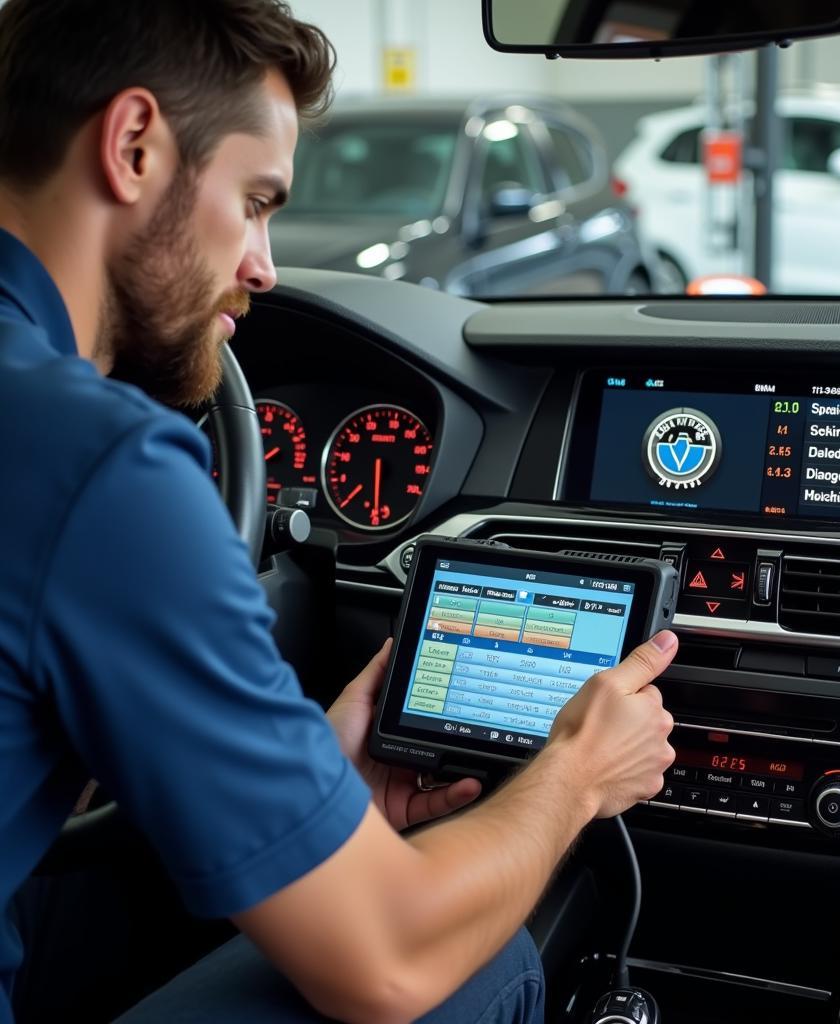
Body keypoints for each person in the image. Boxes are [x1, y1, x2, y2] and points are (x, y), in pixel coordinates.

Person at [0, 2, 679, 1022]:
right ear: (134, 145)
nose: (264, 267)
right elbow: (386, 959)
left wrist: (300, 791)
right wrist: (578, 773)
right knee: (475, 969)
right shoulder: (105, 460)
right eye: (256, 200)